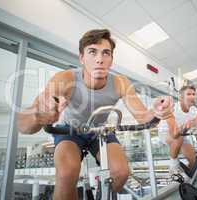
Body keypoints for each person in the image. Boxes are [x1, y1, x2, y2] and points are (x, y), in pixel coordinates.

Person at [17, 29, 174, 200]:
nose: (99, 59)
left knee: (121, 173)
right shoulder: (65, 79)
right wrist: (37, 115)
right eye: (92, 52)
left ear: (111, 60)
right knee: (66, 175)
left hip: (100, 131)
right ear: (82, 58)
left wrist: (157, 112)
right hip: (70, 131)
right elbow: (23, 125)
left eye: (105, 53)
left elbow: (144, 117)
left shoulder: (121, 83)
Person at [158, 85, 197, 176]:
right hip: (166, 133)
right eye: (189, 94)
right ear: (181, 98)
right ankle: (173, 166)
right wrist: (187, 126)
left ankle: (190, 179)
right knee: (178, 138)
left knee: (194, 162)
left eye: (194, 94)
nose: (192, 96)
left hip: (182, 134)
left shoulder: (195, 110)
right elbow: (174, 134)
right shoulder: (172, 108)